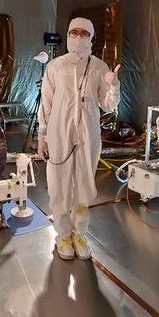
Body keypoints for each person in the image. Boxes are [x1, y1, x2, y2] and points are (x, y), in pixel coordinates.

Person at [37, 17, 121, 260]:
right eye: (74, 32)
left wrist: (113, 86)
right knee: (59, 184)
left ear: (91, 37)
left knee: (84, 184)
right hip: (59, 133)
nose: (78, 37)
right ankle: (63, 234)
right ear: (68, 34)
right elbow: (47, 103)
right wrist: (42, 136)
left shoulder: (99, 67)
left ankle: (79, 233)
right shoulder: (56, 66)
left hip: (88, 134)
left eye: (84, 33)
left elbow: (108, 106)